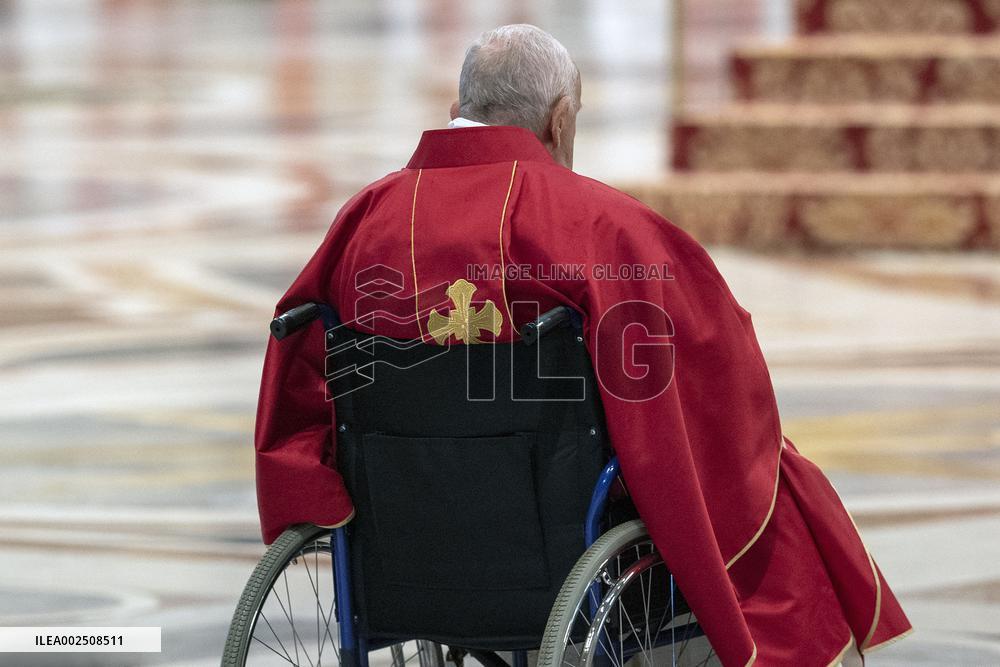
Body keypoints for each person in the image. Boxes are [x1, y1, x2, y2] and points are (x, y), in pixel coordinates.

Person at [255, 24, 911, 666]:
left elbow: (299, 359)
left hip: (404, 546)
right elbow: (710, 378)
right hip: (561, 545)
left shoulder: (363, 223)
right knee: (782, 492)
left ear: (459, 111)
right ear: (561, 118)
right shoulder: (602, 227)